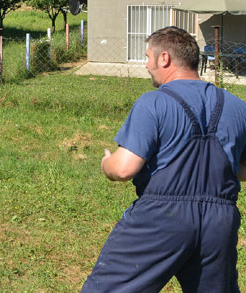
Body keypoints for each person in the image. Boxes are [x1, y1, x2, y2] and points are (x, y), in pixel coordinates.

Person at [82, 26, 246, 292]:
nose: (147, 65)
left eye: (148, 57)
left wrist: (106, 163)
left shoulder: (153, 103)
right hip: (219, 222)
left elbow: (124, 169)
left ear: (165, 59)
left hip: (162, 217)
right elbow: (242, 170)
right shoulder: (237, 106)